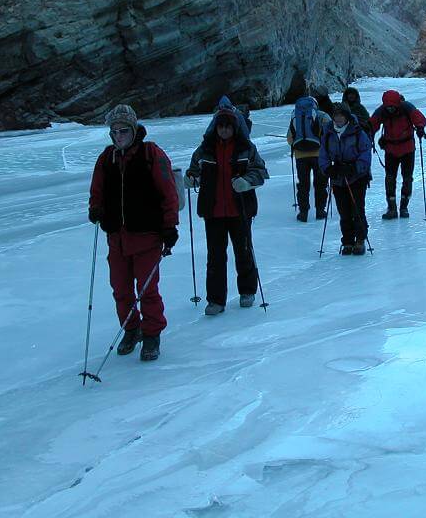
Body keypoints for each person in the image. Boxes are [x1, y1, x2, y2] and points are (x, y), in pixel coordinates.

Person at [88, 104, 180, 362]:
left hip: (147, 236)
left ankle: (152, 334)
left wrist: (169, 226)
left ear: (134, 129)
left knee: (148, 289)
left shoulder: (152, 154)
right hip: (117, 236)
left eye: (123, 131)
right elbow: (97, 190)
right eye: (114, 131)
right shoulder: (107, 158)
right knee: (121, 289)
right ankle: (131, 328)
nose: (119, 136)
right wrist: (95, 208)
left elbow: (168, 192)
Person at [185, 97, 269, 315]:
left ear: (234, 127)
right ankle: (215, 300)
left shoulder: (246, 148)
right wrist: (192, 178)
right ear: (215, 127)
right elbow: (194, 170)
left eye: (228, 126)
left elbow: (261, 172)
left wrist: (247, 182)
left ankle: (247, 290)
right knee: (215, 256)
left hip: (240, 210)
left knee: (243, 251)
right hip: (213, 211)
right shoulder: (205, 150)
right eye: (220, 126)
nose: (223, 130)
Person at [319, 102, 372, 255]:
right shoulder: (328, 132)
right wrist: (328, 169)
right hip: (338, 177)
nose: (338, 118)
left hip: (356, 177)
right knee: (344, 211)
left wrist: (354, 168)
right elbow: (323, 154)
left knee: (357, 209)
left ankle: (360, 239)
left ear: (347, 116)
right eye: (336, 115)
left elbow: (365, 153)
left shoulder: (357, 132)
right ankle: (347, 241)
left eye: (341, 115)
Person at [370, 89, 426, 220]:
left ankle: (403, 207)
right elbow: (372, 124)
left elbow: (420, 119)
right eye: (388, 107)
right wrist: (368, 134)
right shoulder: (382, 111)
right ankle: (392, 208)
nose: (390, 109)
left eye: (392, 107)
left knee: (407, 178)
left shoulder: (406, 108)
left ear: (397, 104)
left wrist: (420, 127)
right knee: (390, 179)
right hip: (391, 149)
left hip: (406, 149)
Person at [287, 96, 332, 222]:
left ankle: (303, 213)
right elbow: (330, 134)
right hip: (319, 155)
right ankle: (320, 211)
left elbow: (290, 139)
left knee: (303, 184)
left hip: (301, 156)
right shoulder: (322, 115)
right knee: (321, 183)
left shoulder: (295, 116)